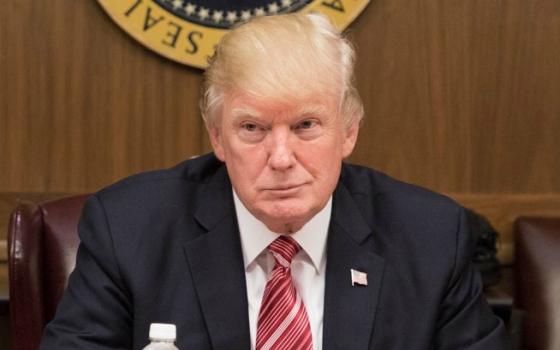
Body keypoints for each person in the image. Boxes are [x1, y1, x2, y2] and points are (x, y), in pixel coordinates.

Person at [40, 12, 509, 350]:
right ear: (217, 138)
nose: (281, 158)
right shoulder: (129, 228)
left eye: (306, 125)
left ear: (349, 130)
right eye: (252, 129)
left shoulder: (428, 236)